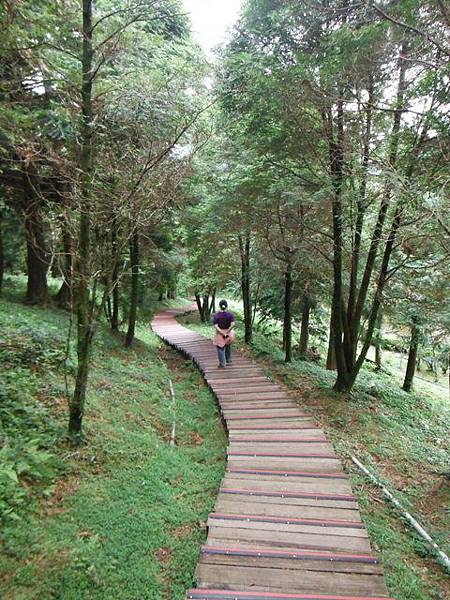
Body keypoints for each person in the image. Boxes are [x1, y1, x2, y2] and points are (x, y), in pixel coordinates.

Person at [213, 299, 235, 368]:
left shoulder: (216, 315)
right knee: (228, 345)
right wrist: (228, 331)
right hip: (229, 334)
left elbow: (216, 326)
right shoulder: (230, 315)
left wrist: (222, 332)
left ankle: (222, 364)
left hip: (220, 334)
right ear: (226, 306)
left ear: (219, 306)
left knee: (220, 348)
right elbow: (233, 324)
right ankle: (228, 360)